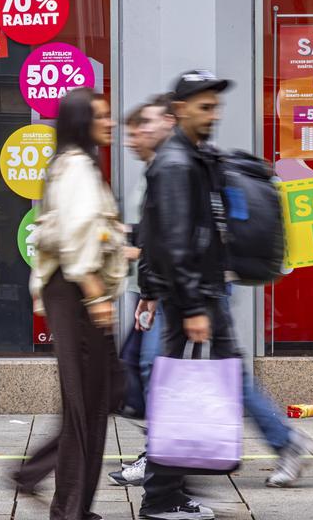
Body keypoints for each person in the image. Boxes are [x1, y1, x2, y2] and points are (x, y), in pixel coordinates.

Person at [137, 70, 313, 520]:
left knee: (193, 388)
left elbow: (159, 231)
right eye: (203, 106)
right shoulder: (177, 163)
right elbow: (174, 241)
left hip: (201, 293)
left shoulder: (191, 157)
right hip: (195, 298)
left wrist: (152, 288)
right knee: (182, 392)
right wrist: (192, 305)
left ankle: (173, 490)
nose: (213, 114)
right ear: (179, 110)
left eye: (215, 106)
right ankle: (163, 497)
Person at [20, 88, 128, 520]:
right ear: (83, 122)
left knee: (95, 399)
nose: (111, 123)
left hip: (74, 290)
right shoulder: (79, 167)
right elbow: (78, 238)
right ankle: (69, 509)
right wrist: (97, 296)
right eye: (101, 116)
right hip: (78, 291)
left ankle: (73, 504)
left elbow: (82, 230)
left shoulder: (70, 165)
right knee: (87, 404)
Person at [109, 94, 176, 487]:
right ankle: (163, 455)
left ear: (169, 121)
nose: (135, 136)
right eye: (132, 130)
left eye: (143, 126)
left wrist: (135, 251)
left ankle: (162, 459)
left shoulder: (172, 168)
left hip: (163, 290)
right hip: (151, 287)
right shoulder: (158, 169)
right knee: (141, 368)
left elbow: (170, 238)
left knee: (154, 369)